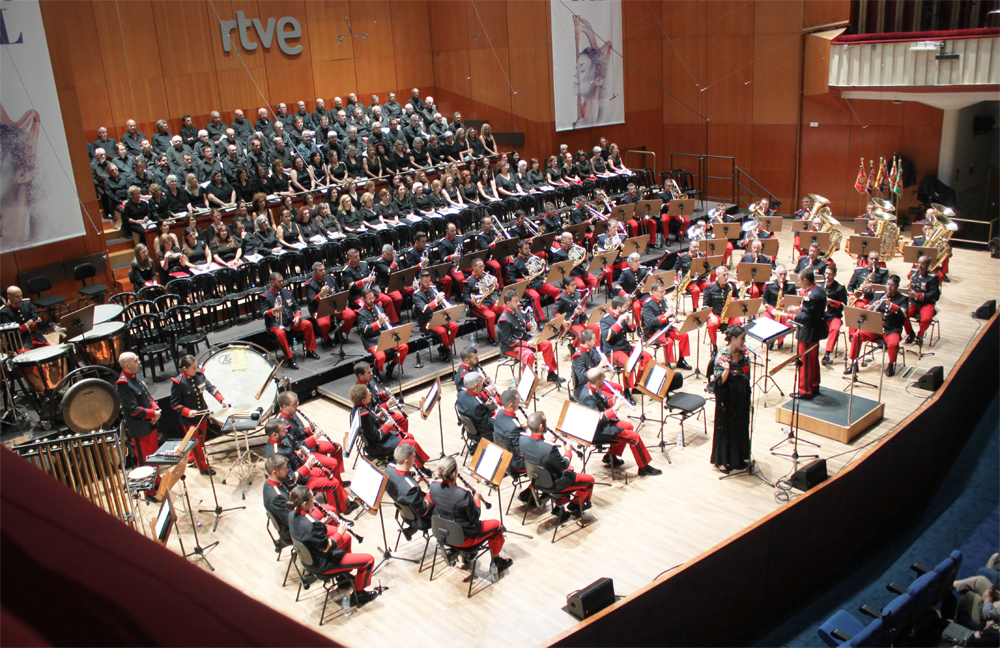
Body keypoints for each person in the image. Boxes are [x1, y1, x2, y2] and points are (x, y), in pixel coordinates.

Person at [285, 486, 378, 605]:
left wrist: (322, 523)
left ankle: (343, 577)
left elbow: (307, 535)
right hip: (323, 563)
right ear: (304, 504)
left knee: (347, 538)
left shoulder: (292, 514)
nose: (314, 500)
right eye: (312, 498)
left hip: (309, 558)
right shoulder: (312, 525)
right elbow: (327, 547)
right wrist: (340, 532)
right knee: (368, 560)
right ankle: (359, 595)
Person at [427, 457, 513, 575]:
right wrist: (476, 499)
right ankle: (496, 563)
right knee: (497, 525)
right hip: (463, 538)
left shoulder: (433, 486)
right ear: (454, 474)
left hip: (442, 534)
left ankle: (467, 555)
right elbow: (475, 516)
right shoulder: (463, 495)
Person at [578, 368, 661, 476]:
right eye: (604, 377)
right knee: (634, 437)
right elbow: (596, 418)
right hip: (596, 430)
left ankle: (610, 456)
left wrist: (614, 400)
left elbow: (602, 403)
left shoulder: (593, 387)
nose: (605, 379)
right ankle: (644, 467)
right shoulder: (587, 397)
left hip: (602, 425)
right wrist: (615, 409)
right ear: (598, 382)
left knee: (629, 426)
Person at [521, 410, 595, 519]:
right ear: (541, 426)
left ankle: (560, 505)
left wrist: (550, 441)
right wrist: (568, 450)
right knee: (589, 480)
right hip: (553, 485)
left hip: (536, 480)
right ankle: (575, 505)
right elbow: (564, 464)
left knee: (570, 470)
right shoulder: (550, 449)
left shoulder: (522, 439)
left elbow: (538, 451)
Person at [169, 355, 229, 475]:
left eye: (196, 367)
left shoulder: (199, 375)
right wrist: (187, 411)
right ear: (185, 368)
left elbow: (210, 387)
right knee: (196, 444)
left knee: (200, 441)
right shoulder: (179, 382)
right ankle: (203, 468)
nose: (196, 370)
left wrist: (222, 400)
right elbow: (174, 404)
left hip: (202, 414)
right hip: (189, 420)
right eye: (193, 368)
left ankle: (191, 459)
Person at [349, 384, 430, 468]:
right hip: (378, 446)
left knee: (409, 436)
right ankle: (422, 469)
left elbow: (371, 423)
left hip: (380, 441)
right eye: (368, 394)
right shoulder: (364, 416)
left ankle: (405, 463)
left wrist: (379, 417)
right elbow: (376, 436)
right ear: (363, 400)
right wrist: (387, 425)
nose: (370, 394)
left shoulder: (359, 407)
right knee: (412, 444)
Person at [115, 352, 161, 499]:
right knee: (145, 461)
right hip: (140, 429)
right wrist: (153, 414)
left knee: (154, 457)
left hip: (150, 424)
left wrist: (157, 410)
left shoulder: (137, 376)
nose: (139, 362)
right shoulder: (123, 384)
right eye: (136, 361)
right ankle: (149, 491)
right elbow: (133, 410)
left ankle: (156, 482)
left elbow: (148, 396)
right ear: (127, 365)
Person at [845, 275, 908, 377]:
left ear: (896, 286)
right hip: (876, 327)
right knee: (857, 335)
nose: (889, 287)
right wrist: (872, 306)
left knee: (893, 344)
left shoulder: (903, 299)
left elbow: (904, 313)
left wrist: (890, 305)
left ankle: (891, 364)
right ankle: (854, 363)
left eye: (892, 285)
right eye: (888, 284)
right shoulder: (880, 295)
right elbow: (867, 307)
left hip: (891, 329)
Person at [496, 289, 563, 384]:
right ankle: (527, 382)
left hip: (524, 340)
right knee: (529, 355)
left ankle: (551, 373)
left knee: (547, 344)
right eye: (516, 301)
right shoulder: (503, 320)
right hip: (511, 347)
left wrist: (529, 325)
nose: (519, 303)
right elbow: (509, 340)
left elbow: (522, 325)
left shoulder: (517, 310)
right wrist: (527, 344)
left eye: (518, 300)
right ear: (508, 303)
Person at [710, 325, 751, 473]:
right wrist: (727, 368)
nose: (744, 342)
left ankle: (739, 457)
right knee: (726, 428)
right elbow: (720, 382)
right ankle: (722, 460)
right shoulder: (722, 355)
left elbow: (747, 374)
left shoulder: (744, 352)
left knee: (741, 424)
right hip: (726, 395)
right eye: (742, 339)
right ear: (733, 339)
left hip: (741, 393)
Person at [261, 272, 319, 370]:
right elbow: (263, 314)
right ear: (272, 282)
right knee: (280, 333)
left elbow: (296, 307)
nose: (281, 283)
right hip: (274, 324)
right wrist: (273, 311)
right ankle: (290, 358)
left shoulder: (287, 293)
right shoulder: (265, 296)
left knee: (307, 324)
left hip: (289, 321)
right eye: (279, 281)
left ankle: (310, 350)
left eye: (282, 281)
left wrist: (297, 316)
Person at [785, 268, 826, 399]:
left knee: (805, 362)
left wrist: (790, 316)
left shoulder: (810, 296)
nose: (799, 283)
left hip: (808, 333)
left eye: (799, 280)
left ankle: (805, 391)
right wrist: (799, 308)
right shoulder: (818, 290)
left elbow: (806, 318)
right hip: (816, 332)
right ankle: (814, 385)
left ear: (805, 280)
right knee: (813, 361)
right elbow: (813, 309)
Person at [600, 295, 652, 392]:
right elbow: (607, 336)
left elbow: (632, 330)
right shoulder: (605, 319)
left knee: (647, 357)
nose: (627, 308)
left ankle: (638, 384)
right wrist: (618, 323)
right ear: (618, 307)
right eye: (625, 306)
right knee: (629, 364)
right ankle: (627, 390)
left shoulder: (622, 314)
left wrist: (629, 322)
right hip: (613, 350)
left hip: (624, 346)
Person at [357, 288, 408, 379]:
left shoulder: (378, 308)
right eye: (369, 299)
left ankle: (391, 366)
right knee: (380, 357)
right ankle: (376, 371)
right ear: (363, 299)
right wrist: (378, 323)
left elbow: (386, 321)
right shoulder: (361, 314)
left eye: (373, 298)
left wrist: (386, 320)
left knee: (404, 347)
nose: (372, 300)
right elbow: (365, 330)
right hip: (371, 340)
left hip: (384, 336)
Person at [385, 444, 434, 539]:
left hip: (405, 513)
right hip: (420, 519)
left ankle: (411, 530)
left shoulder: (388, 470)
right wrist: (429, 493)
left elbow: (401, 486)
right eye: (413, 457)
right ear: (406, 461)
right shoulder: (412, 487)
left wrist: (414, 481)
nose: (415, 460)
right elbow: (422, 510)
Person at [641, 282, 692, 370]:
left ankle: (681, 360)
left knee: (684, 335)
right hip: (654, 331)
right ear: (653, 291)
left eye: (664, 291)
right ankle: (668, 364)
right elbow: (651, 321)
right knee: (669, 341)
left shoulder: (663, 300)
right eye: (661, 292)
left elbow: (667, 315)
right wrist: (665, 315)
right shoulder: (647, 304)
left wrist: (671, 312)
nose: (663, 294)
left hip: (666, 328)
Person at [305, 262, 356, 347]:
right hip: (319, 308)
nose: (323, 272)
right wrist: (320, 295)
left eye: (324, 269)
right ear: (314, 272)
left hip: (333, 305)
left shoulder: (331, 279)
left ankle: (339, 333)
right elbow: (312, 301)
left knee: (351, 315)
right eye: (320, 270)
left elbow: (339, 292)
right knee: (324, 324)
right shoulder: (310, 284)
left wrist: (340, 305)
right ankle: (326, 338)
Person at [413, 271, 458, 361]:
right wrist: (436, 302)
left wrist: (444, 303)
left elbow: (439, 305)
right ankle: (447, 350)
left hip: (438, 317)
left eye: (429, 281)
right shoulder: (416, 295)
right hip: (426, 321)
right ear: (420, 281)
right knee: (441, 331)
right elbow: (424, 310)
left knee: (454, 326)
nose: (428, 283)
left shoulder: (432, 288)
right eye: (425, 281)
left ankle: (445, 348)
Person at [903, 254, 940, 347]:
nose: (920, 265)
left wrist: (918, 295)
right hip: (913, 302)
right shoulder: (913, 273)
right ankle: (910, 333)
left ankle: (920, 335)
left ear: (928, 265)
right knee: (902, 314)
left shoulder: (933, 277)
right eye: (919, 263)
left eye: (923, 264)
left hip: (926, 303)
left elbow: (934, 294)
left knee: (926, 319)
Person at [464, 258, 504, 343]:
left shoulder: (485, 276)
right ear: (474, 267)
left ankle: (506, 331)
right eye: (480, 266)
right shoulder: (468, 281)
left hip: (489, 302)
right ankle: (491, 337)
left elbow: (494, 289)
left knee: (505, 307)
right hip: (477, 306)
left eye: (483, 266)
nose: (483, 268)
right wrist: (474, 300)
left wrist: (495, 284)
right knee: (491, 316)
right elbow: (465, 298)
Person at [703, 266, 742, 351]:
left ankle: (732, 344)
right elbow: (705, 305)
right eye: (724, 275)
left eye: (727, 274)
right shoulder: (710, 287)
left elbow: (737, 298)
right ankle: (714, 346)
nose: (726, 277)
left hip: (729, 314)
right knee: (711, 325)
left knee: (738, 323)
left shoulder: (731, 286)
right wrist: (711, 315)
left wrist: (734, 300)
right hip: (716, 315)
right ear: (718, 275)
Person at [1, 286, 49, 351]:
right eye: (17, 296)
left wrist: (28, 324)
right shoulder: (4, 312)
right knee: (27, 358)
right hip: (20, 341)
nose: (20, 298)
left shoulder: (27, 303)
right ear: (9, 297)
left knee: (50, 351)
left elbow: (37, 320)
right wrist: (29, 324)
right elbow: (12, 333)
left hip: (34, 336)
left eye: (21, 295)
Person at [456, 372, 496, 448]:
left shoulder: (461, 394)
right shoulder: (477, 406)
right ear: (476, 386)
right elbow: (488, 425)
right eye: (481, 382)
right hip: (482, 434)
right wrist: (495, 417)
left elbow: (472, 409)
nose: (482, 384)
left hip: (471, 428)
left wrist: (485, 405)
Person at [821, 265, 847, 366]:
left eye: (830, 274)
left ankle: (827, 354)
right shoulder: (820, 286)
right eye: (826, 273)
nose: (827, 276)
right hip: (821, 315)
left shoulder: (840, 288)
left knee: (835, 328)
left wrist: (832, 302)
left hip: (833, 316)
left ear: (834, 275)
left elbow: (843, 305)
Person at [672, 241, 708, 311]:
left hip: (701, 279)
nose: (696, 249)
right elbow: (674, 271)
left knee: (709, 286)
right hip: (689, 282)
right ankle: (695, 309)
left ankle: (706, 307)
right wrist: (675, 281)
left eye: (697, 247)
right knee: (696, 290)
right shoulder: (682, 257)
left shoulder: (702, 255)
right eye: (694, 247)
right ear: (690, 246)